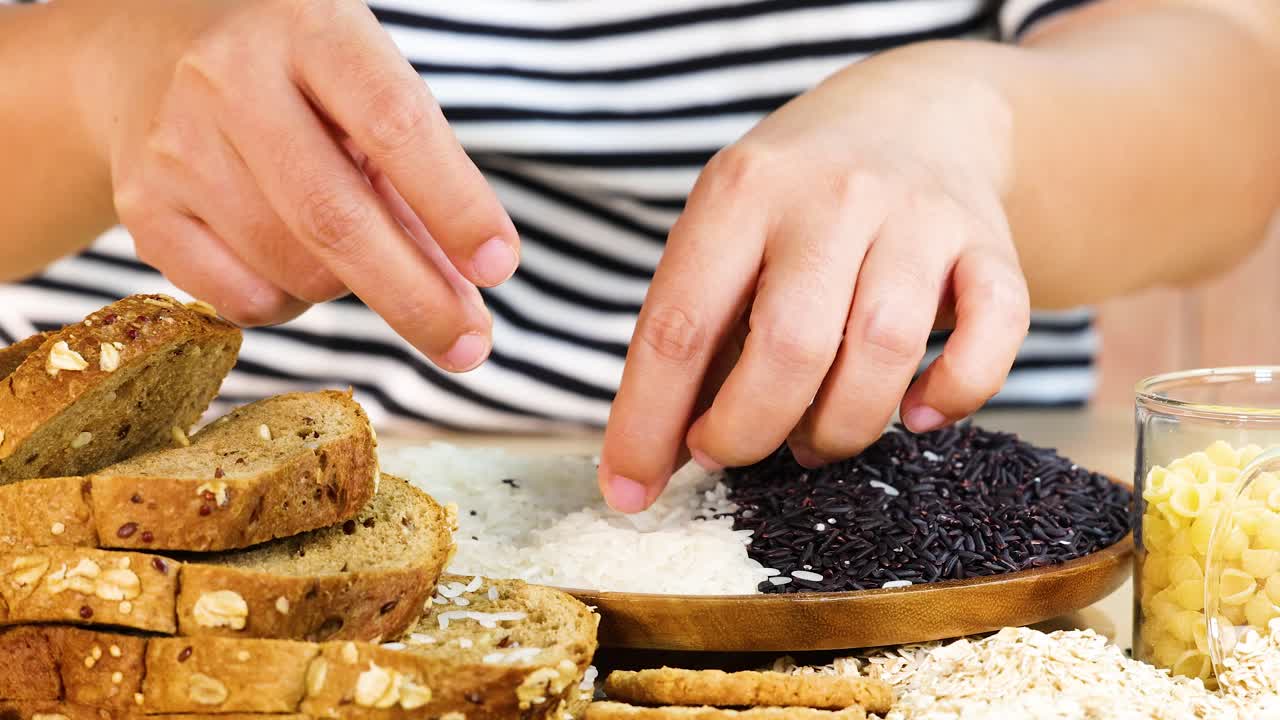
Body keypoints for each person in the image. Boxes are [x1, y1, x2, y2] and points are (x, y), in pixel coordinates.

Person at [1, 0, 1277, 513]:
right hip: (116, 496)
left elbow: (1227, 120)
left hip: (883, 481)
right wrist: (95, 68)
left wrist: (968, 123)